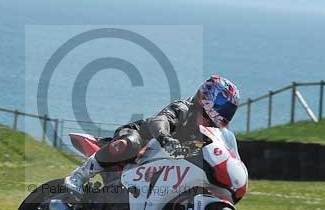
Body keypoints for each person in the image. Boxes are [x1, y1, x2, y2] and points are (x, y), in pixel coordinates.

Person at [64, 75, 241, 196]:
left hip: (161, 172)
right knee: (129, 144)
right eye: (222, 105)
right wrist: (165, 138)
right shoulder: (184, 109)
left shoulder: (212, 135)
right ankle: (78, 177)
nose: (224, 112)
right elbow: (160, 120)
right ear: (207, 96)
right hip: (140, 139)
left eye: (229, 110)